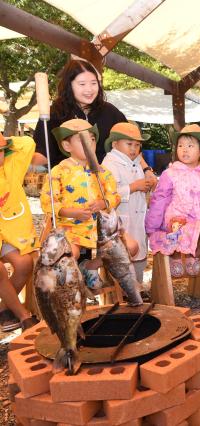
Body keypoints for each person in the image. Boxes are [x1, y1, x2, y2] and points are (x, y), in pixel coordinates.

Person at [32, 59, 157, 183]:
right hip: (69, 184)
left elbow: (132, 144)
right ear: (69, 85)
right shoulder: (54, 114)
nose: (89, 89)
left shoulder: (110, 112)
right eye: (82, 84)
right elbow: (43, 153)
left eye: (93, 83)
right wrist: (21, 158)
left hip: (109, 182)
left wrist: (146, 169)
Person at [40, 119, 121, 291]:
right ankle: (69, 288)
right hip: (70, 227)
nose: (89, 143)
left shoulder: (102, 171)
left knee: (127, 248)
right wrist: (72, 212)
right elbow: (48, 201)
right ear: (67, 146)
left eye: (92, 139)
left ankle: (90, 267)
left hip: (100, 228)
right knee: (70, 254)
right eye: (82, 139)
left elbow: (115, 196)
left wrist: (103, 203)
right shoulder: (58, 171)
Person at [145, 124, 200, 278]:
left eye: (190, 145)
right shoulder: (170, 173)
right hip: (176, 221)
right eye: (181, 145)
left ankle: (193, 254)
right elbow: (159, 199)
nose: (184, 149)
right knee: (178, 229)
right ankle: (175, 255)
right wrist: (153, 225)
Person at [101, 122, 155, 284]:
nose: (133, 148)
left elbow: (142, 184)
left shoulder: (137, 162)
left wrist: (148, 186)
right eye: (129, 144)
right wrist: (133, 187)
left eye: (137, 145)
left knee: (139, 254)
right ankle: (123, 290)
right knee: (124, 254)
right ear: (115, 143)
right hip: (122, 217)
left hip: (137, 214)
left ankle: (137, 286)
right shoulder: (109, 164)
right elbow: (107, 195)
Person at [0, 133, 39, 331]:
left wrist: (7, 141)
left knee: (25, 263)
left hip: (10, 233)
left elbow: (28, 142)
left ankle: (5, 308)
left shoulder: (11, 166)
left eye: (0, 152)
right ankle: (23, 316)